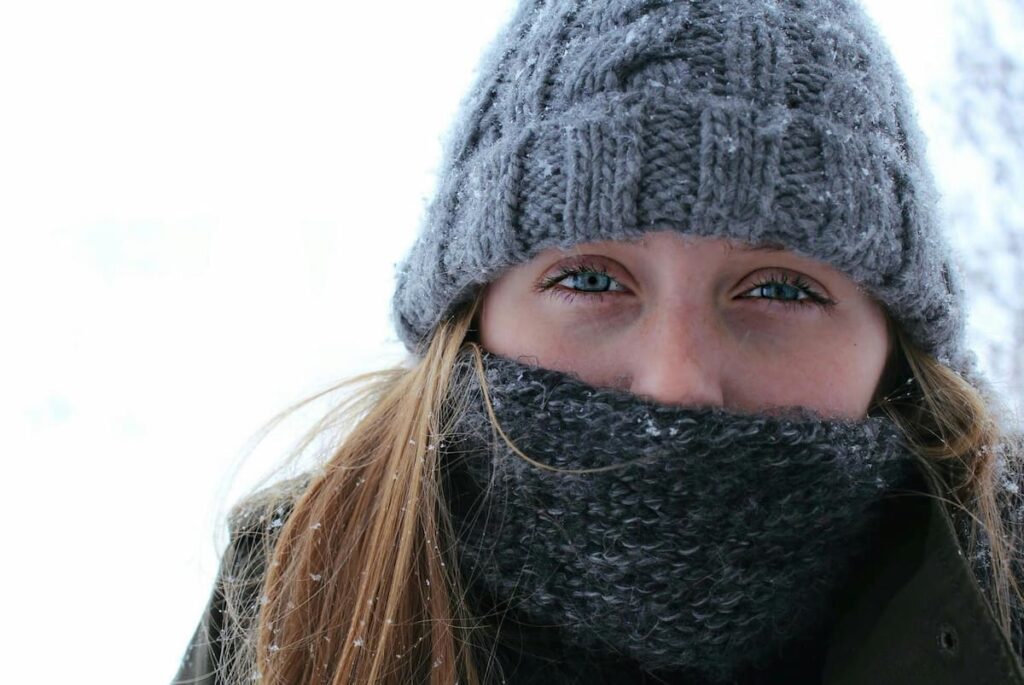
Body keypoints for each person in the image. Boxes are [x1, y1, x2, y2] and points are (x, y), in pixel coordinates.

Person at [173, 1, 1024, 683]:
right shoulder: (301, 586)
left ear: (895, 340)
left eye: (779, 289)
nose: (675, 382)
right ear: (472, 311)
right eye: (588, 279)